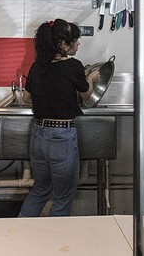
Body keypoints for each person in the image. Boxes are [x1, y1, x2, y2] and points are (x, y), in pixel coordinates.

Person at [18, 19, 90, 217]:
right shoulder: (74, 66)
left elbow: (26, 98)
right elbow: (86, 95)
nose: (78, 44)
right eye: (75, 41)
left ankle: (19, 236)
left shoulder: (37, 66)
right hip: (61, 137)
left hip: (38, 135)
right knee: (62, 197)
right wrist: (91, 79)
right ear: (63, 45)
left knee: (40, 190)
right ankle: (54, 244)